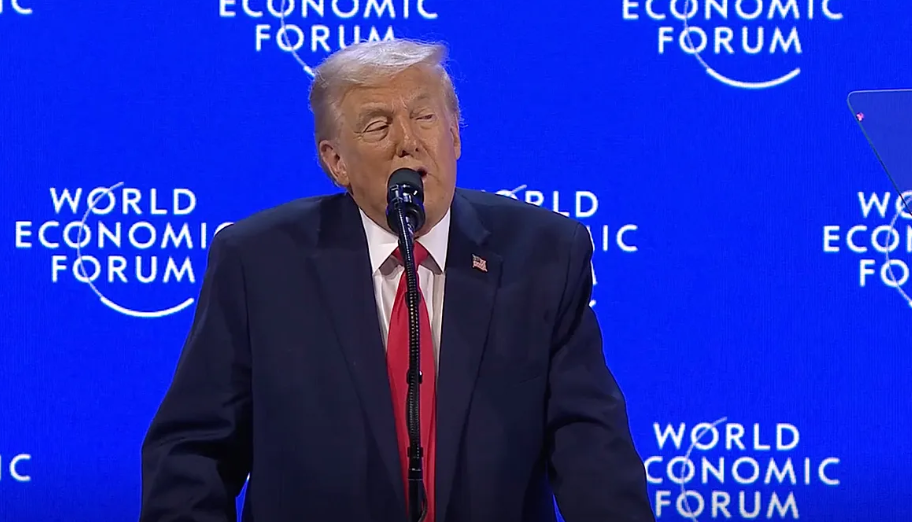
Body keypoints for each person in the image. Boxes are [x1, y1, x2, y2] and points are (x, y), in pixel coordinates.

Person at [139, 38, 655, 522]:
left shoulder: (543, 254)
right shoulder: (259, 262)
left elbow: (592, 448)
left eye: (425, 117)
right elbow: (192, 450)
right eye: (378, 126)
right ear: (335, 162)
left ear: (455, 136)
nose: (408, 142)